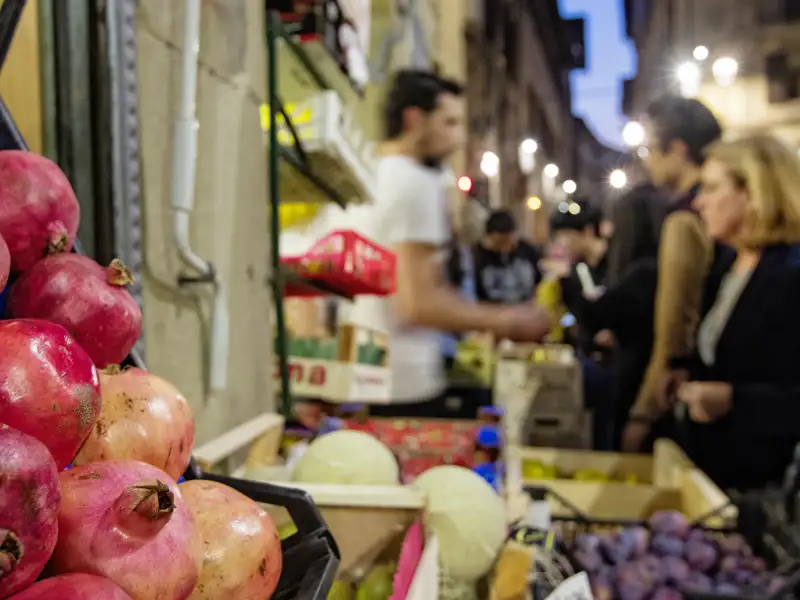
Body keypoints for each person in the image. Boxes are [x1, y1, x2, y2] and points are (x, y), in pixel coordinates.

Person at [347, 70, 550, 417]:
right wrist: (510, 320)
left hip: (364, 377)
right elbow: (417, 303)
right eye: (450, 123)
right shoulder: (416, 182)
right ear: (414, 120)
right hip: (407, 383)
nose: (458, 138)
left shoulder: (370, 170)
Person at [669, 135, 800, 490]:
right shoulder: (729, 263)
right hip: (715, 478)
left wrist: (732, 399)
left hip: (766, 490)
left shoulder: (791, 272)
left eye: (711, 188)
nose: (699, 202)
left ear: (755, 194)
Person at [622, 95, 723, 452]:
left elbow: (674, 326)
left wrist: (642, 414)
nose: (647, 161)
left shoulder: (686, 218)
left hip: (692, 398)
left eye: (651, 149)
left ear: (677, 150)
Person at [473, 209, 542, 305]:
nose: (505, 248)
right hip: (491, 315)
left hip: (525, 310)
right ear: (487, 237)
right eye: (499, 242)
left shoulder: (526, 250)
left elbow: (539, 281)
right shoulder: (475, 257)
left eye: (509, 241)